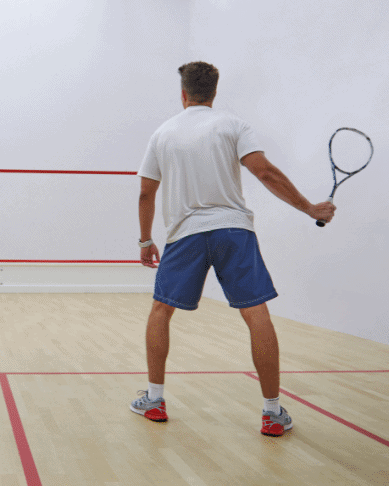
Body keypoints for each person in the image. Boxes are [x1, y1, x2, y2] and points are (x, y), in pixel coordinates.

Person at [129, 61, 335, 437]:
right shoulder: (232, 125)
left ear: (183, 93)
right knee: (257, 316)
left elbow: (146, 191)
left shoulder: (162, 134)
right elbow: (265, 172)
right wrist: (309, 208)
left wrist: (145, 240)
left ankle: (154, 400)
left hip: (184, 235)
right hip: (233, 232)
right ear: (215, 92)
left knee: (161, 311)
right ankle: (272, 413)